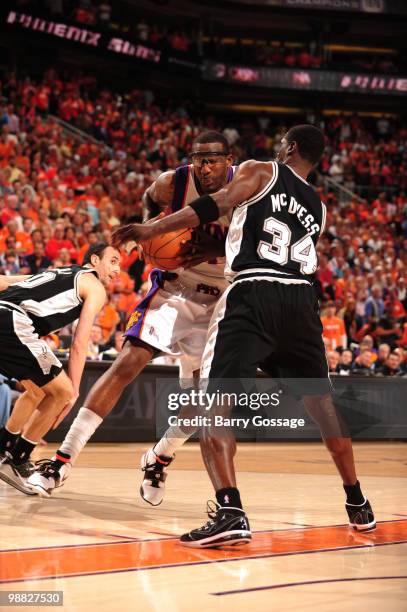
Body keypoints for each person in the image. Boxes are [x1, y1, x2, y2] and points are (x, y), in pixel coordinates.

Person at [113, 124, 376, 547]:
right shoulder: (319, 206)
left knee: (215, 400)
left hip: (253, 292)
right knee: (323, 407)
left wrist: (151, 231)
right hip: (301, 301)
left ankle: (230, 510)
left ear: (289, 147)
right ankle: (358, 503)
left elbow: (218, 201)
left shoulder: (261, 169)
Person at [27, 131, 235, 499]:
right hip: (176, 288)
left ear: (229, 160)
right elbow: (149, 199)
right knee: (128, 361)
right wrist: (150, 233)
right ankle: (61, 461)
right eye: (198, 158)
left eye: (213, 159)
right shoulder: (175, 181)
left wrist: (216, 244)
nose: (204, 167)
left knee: (201, 403)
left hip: (220, 300)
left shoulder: (246, 190)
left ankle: (159, 457)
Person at [0, 243, 121, 493]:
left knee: (36, 392)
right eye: (113, 261)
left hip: (5, 317)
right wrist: (74, 390)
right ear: (95, 260)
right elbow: (79, 342)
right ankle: (19, 457)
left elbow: (4, 281)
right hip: (12, 321)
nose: (118, 269)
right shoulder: (95, 287)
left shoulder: (57, 272)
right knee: (62, 392)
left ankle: (4, 449)